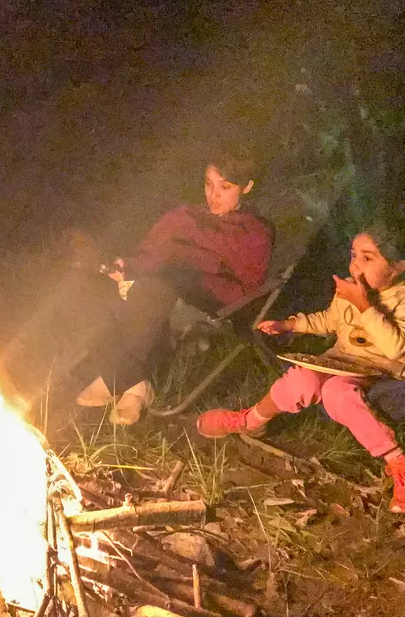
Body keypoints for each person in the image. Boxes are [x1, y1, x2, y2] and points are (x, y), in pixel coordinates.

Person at [196, 225, 405, 513]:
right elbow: (329, 321)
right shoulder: (349, 290)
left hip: (381, 370)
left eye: (368, 258)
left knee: (336, 392)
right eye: (354, 255)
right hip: (340, 360)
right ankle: (251, 421)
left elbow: (396, 347)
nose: (356, 264)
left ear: (397, 267)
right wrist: (290, 324)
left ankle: (401, 464)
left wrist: (364, 304)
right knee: (302, 380)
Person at [75, 145, 274, 425]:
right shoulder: (186, 216)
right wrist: (127, 268)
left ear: (247, 186)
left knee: (155, 287)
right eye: (208, 184)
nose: (212, 194)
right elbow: (152, 251)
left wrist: (185, 266)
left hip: (213, 302)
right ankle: (137, 387)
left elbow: (248, 288)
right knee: (134, 288)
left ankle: (116, 377)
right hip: (162, 289)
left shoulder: (256, 232)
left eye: (225, 187)